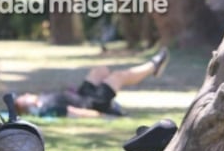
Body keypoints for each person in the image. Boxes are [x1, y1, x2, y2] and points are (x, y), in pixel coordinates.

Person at [13, 48, 169, 118]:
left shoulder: (41, 100)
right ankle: (153, 67)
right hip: (92, 102)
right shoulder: (46, 109)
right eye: (23, 98)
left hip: (82, 95)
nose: (26, 94)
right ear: (28, 107)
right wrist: (101, 115)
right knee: (118, 76)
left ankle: (111, 101)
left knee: (100, 70)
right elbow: (74, 112)